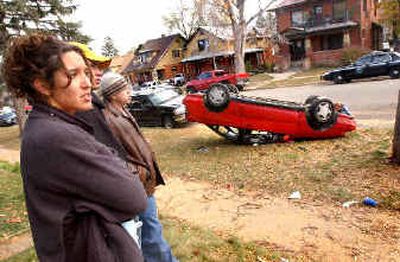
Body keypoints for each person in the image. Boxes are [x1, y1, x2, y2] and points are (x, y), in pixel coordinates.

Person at [2, 34, 147, 261]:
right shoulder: (55, 136)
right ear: (42, 85)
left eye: (85, 72)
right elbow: (135, 197)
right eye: (72, 75)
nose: (87, 82)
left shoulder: (52, 125)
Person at [100, 71, 177, 262]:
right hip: (137, 184)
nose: (129, 91)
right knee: (152, 233)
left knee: (150, 229)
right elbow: (111, 156)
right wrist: (136, 173)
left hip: (142, 182)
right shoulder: (108, 119)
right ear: (112, 94)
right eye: (123, 88)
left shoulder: (123, 111)